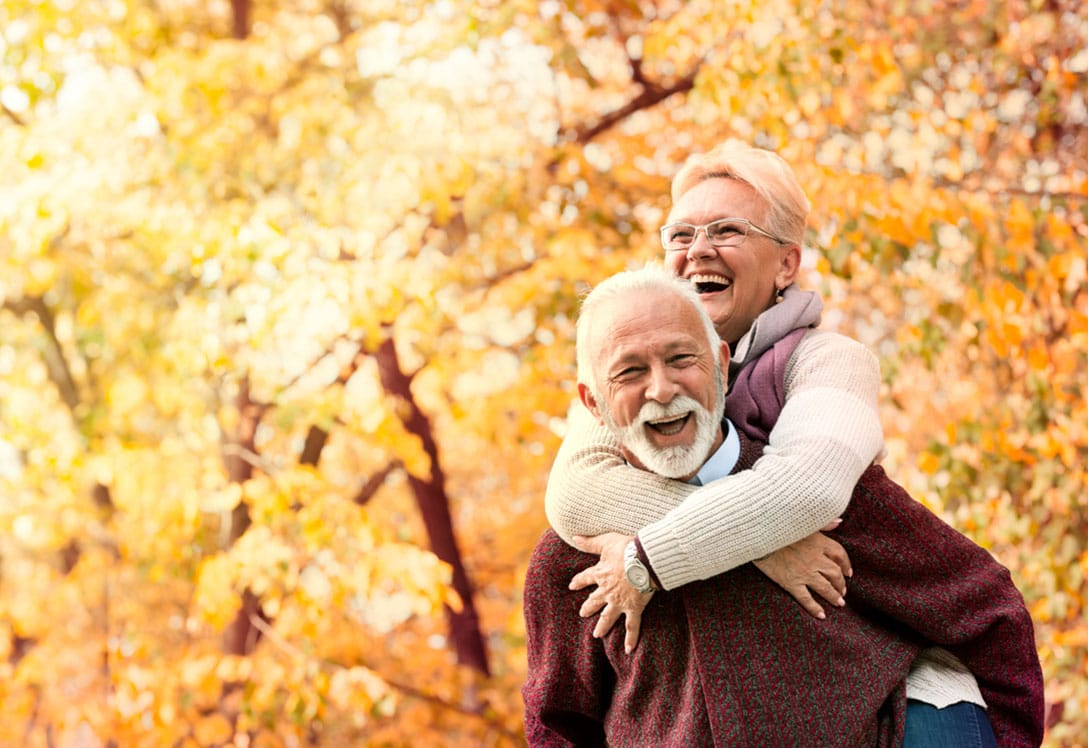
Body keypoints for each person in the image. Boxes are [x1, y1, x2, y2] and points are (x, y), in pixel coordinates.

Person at [542, 142, 1044, 745]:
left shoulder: (827, 361)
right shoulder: (629, 381)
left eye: (727, 230)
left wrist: (650, 558)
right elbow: (577, 493)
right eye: (681, 234)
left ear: (785, 265)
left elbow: (808, 489)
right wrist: (764, 552)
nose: (698, 249)